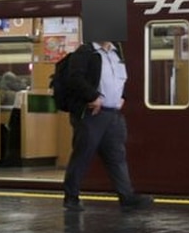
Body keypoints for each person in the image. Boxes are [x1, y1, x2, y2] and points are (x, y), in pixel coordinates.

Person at [60, 38, 152, 212]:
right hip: (91, 114)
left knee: (116, 156)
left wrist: (122, 96)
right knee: (82, 155)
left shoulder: (117, 54)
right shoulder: (85, 53)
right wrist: (92, 96)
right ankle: (71, 197)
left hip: (112, 114)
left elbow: (120, 80)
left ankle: (127, 197)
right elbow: (75, 78)